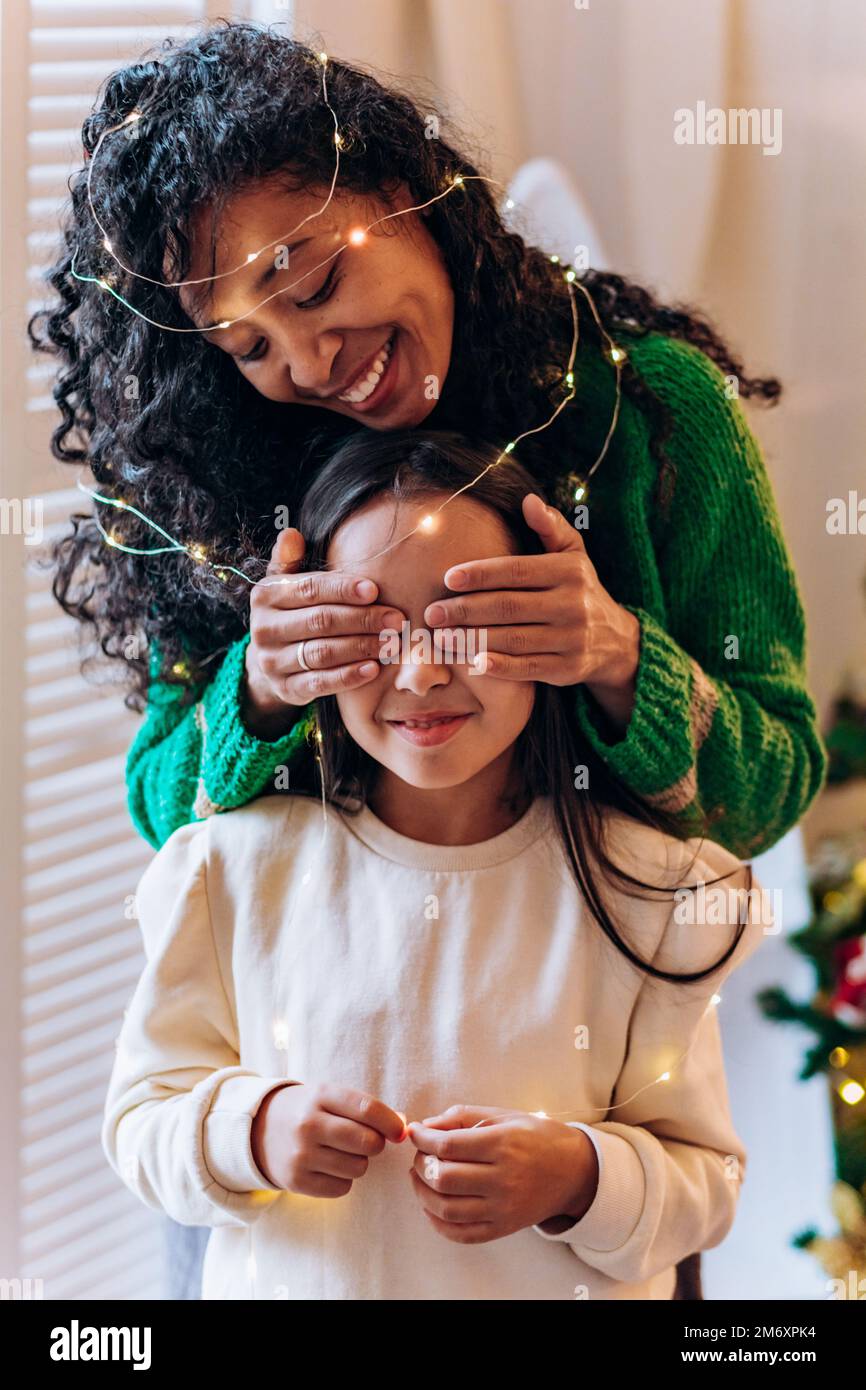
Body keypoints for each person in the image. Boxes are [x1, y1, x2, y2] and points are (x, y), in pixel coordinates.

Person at [29, 21, 827, 881]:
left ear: (404, 189)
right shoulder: (223, 478)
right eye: (248, 349)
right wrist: (258, 690)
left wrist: (618, 657)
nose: (307, 364)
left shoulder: (649, 414)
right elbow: (161, 812)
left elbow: (769, 795)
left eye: (312, 285)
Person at [102, 431, 768, 1301]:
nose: (418, 677)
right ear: (310, 643)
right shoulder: (235, 871)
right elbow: (141, 1118)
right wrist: (251, 1130)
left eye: (461, 628)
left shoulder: (650, 892)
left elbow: (705, 1184)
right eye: (375, 634)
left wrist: (578, 1176)